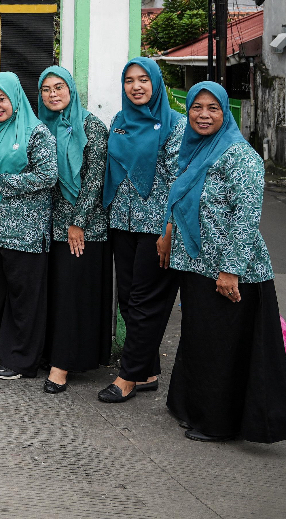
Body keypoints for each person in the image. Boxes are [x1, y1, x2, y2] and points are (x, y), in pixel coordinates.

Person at [164, 82, 286, 444]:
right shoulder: (192, 148)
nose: (203, 115)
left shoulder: (241, 155)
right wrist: (169, 233)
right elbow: (181, 199)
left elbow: (246, 218)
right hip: (197, 265)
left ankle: (219, 423)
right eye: (197, 107)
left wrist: (230, 270)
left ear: (225, 113)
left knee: (223, 349)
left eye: (213, 108)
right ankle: (193, 408)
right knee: (200, 341)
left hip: (232, 272)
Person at [98, 57, 185, 404]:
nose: (136, 86)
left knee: (145, 301)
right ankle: (147, 372)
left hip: (156, 228)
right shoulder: (120, 121)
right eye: (129, 80)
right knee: (127, 299)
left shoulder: (175, 125)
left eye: (143, 80)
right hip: (122, 222)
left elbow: (180, 182)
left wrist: (169, 230)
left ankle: (128, 377)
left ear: (156, 83)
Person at [0, 71, 58, 381]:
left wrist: (4, 183)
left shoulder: (36, 132)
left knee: (24, 298)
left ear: (16, 98)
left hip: (25, 232)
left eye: (2, 99)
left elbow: (48, 176)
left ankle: (22, 360)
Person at [36, 66, 111, 394]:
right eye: (46, 89)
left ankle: (62, 365)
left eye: (58, 87)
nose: (52, 94)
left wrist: (78, 223)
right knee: (56, 294)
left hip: (83, 229)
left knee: (72, 296)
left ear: (71, 89)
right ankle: (53, 353)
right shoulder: (41, 127)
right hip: (50, 226)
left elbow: (94, 179)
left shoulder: (91, 126)